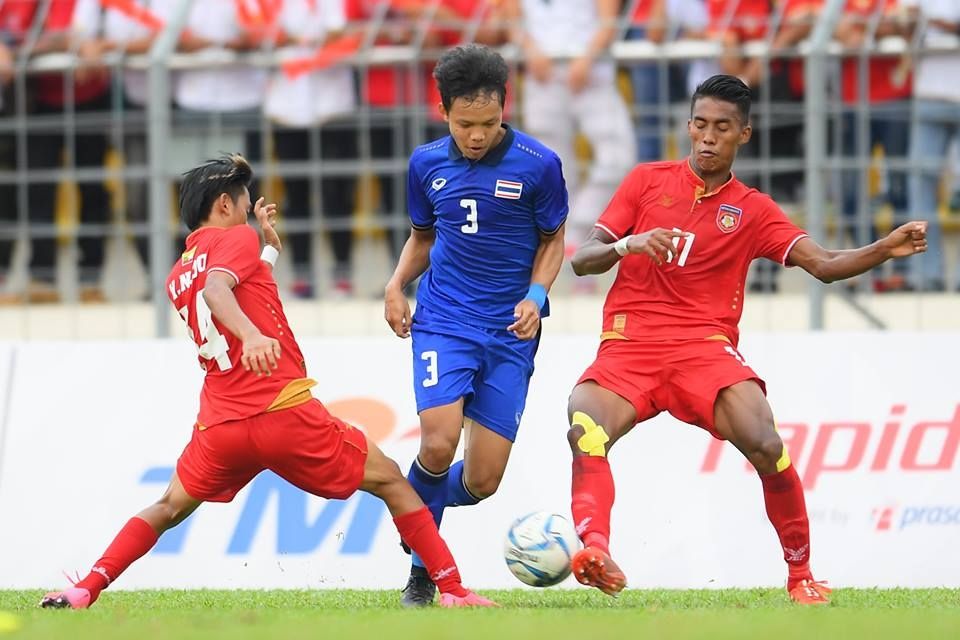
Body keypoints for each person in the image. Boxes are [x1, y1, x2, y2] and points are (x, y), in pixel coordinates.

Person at [39, 154, 494, 610]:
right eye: (242, 205)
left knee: (167, 508)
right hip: (281, 411)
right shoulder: (234, 237)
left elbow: (240, 290)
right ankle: (451, 589)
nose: (246, 216)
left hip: (221, 427)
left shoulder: (178, 273)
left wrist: (269, 250)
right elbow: (221, 291)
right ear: (223, 204)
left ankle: (85, 589)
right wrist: (253, 335)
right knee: (393, 482)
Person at [564, 75, 927, 605]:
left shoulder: (753, 209)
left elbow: (823, 265)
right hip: (630, 345)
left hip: (704, 349)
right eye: (702, 125)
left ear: (744, 135)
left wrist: (883, 248)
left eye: (723, 128)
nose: (709, 137)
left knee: (767, 443)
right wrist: (630, 244)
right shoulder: (645, 182)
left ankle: (801, 575)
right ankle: (596, 550)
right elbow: (581, 260)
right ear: (688, 127)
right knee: (584, 426)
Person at [383, 44, 567, 607]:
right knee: (437, 444)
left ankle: (412, 501)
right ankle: (423, 569)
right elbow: (423, 236)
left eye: (488, 123)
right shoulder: (425, 164)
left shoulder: (539, 165)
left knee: (483, 482)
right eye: (466, 124)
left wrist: (537, 294)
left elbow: (553, 239)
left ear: (504, 108)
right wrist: (395, 286)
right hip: (443, 321)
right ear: (444, 113)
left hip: (511, 332)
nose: (477, 135)